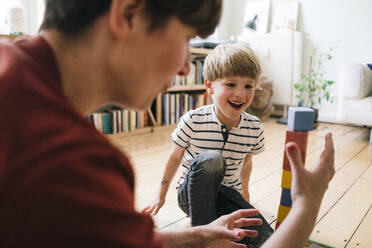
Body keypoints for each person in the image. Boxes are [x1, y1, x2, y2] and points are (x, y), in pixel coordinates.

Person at [0, 0, 335, 247]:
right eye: (187, 39)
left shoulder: (12, 71)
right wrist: (306, 204)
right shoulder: (70, 161)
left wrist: (200, 234)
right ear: (128, 14)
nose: (185, 66)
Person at [143, 43, 273, 247]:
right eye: (231, 84)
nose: (240, 94)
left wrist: (244, 192)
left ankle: (208, 225)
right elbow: (175, 157)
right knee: (212, 160)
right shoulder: (193, 120)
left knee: (266, 239)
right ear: (210, 85)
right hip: (191, 195)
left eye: (248, 86)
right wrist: (160, 196)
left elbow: (247, 161)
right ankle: (201, 235)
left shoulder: (254, 127)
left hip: (227, 196)